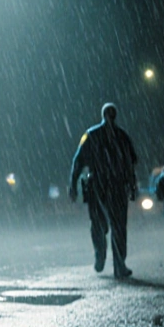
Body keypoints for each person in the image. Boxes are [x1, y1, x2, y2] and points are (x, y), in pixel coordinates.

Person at [68, 102, 138, 278]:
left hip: (99, 187)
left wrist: (73, 184)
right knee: (117, 227)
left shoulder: (91, 135)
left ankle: (101, 255)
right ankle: (118, 265)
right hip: (114, 187)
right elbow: (130, 163)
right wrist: (132, 185)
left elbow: (78, 161)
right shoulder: (122, 136)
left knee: (100, 225)